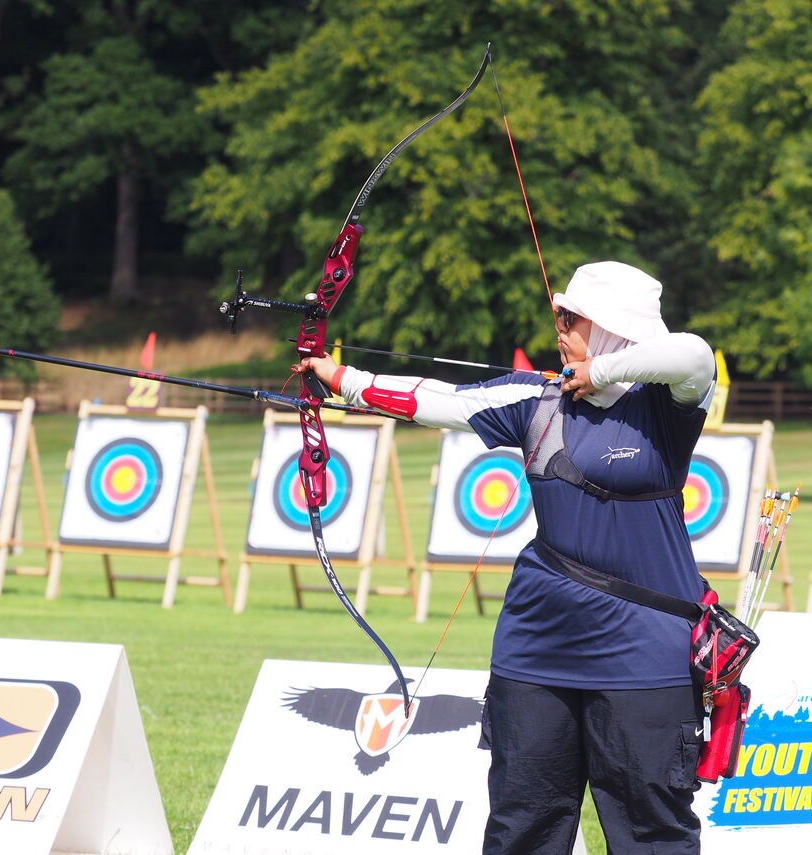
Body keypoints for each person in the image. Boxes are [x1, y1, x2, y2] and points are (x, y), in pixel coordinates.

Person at [299, 260, 717, 854]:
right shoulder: (535, 399)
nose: (559, 325)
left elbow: (696, 355)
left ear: (612, 328)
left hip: (643, 655)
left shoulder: (664, 406)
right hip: (537, 647)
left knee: (652, 831)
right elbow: (435, 400)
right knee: (523, 825)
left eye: (572, 318)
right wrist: (339, 377)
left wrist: (603, 370)